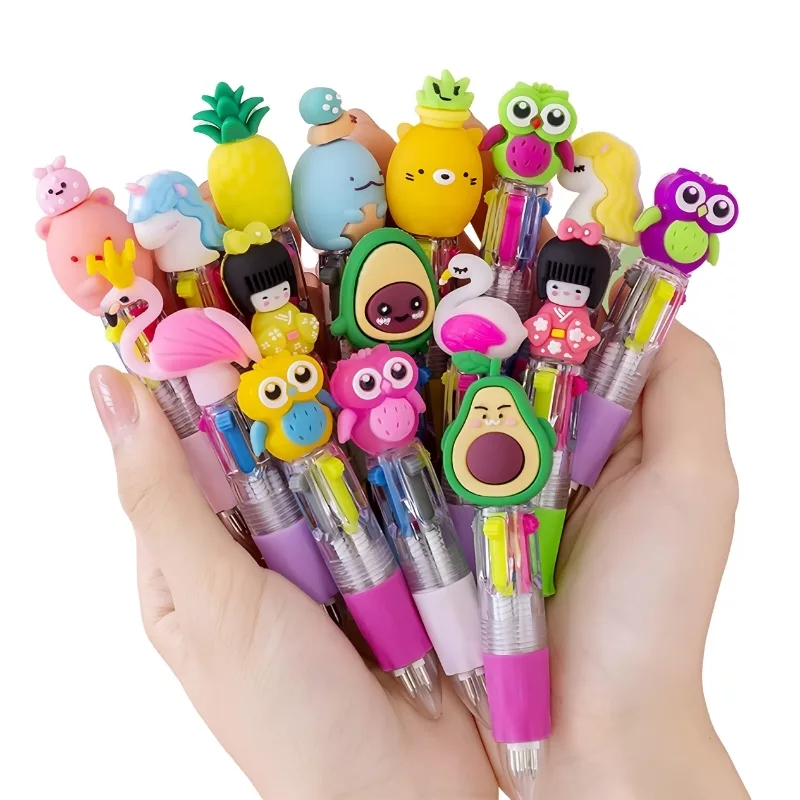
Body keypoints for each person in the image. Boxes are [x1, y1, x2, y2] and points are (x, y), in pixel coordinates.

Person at [87, 110, 749, 799]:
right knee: (389, 506)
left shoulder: (548, 340)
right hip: (363, 479)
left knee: (423, 504)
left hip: (477, 491)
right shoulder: (288, 381)